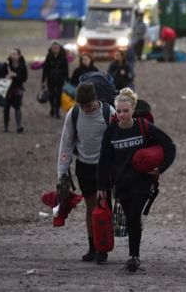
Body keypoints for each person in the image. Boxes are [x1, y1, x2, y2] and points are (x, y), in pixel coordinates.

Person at [97, 88, 176, 272]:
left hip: (141, 183)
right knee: (131, 218)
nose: (122, 114)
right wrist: (101, 186)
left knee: (133, 217)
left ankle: (134, 256)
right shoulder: (110, 132)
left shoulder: (143, 127)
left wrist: (160, 169)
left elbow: (169, 146)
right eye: (119, 111)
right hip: (121, 184)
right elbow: (104, 160)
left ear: (133, 110)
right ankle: (135, 244)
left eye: (126, 111)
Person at [57, 83, 115, 264]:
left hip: (105, 167)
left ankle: (103, 249)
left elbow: (117, 139)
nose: (85, 109)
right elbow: (66, 144)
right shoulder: (73, 114)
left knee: (104, 206)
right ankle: (93, 246)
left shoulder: (109, 112)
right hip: (84, 166)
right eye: (82, 106)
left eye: (88, 105)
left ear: (95, 99)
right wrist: (62, 172)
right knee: (91, 207)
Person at [42, 41, 69, 118]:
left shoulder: (63, 57)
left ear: (60, 48)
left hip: (60, 79)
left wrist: (67, 79)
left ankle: (57, 111)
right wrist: (43, 80)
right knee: (51, 95)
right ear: (51, 48)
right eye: (54, 48)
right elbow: (45, 69)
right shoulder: (49, 56)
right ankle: (52, 108)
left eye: (57, 48)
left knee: (59, 95)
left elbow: (66, 69)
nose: (55, 49)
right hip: (50, 79)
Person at [3, 48, 28, 133]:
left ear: (19, 55)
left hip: (18, 89)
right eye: (12, 54)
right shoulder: (6, 65)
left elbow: (24, 78)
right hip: (7, 89)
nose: (13, 56)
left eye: (15, 54)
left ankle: (19, 126)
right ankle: (6, 126)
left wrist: (15, 75)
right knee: (6, 107)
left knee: (17, 107)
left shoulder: (22, 65)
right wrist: (6, 76)